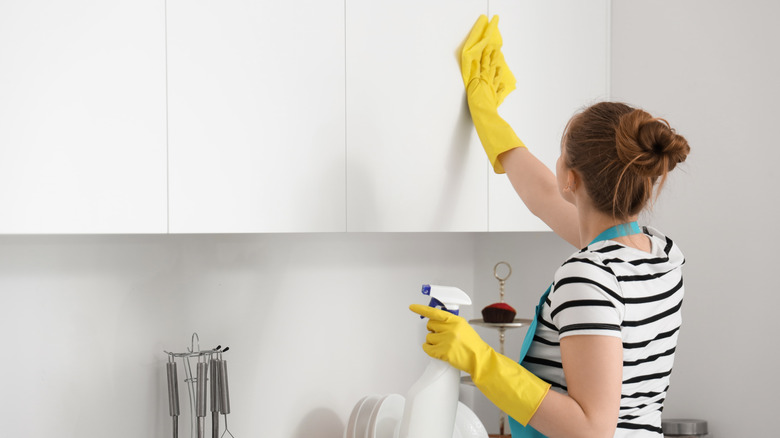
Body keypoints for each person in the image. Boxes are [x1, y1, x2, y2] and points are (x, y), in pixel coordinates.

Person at [410, 15, 690, 437]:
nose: (555, 164)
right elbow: (543, 194)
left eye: (561, 153)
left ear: (572, 179)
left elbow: (592, 429)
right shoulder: (661, 255)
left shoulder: (589, 278)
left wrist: (477, 359)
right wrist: (486, 112)